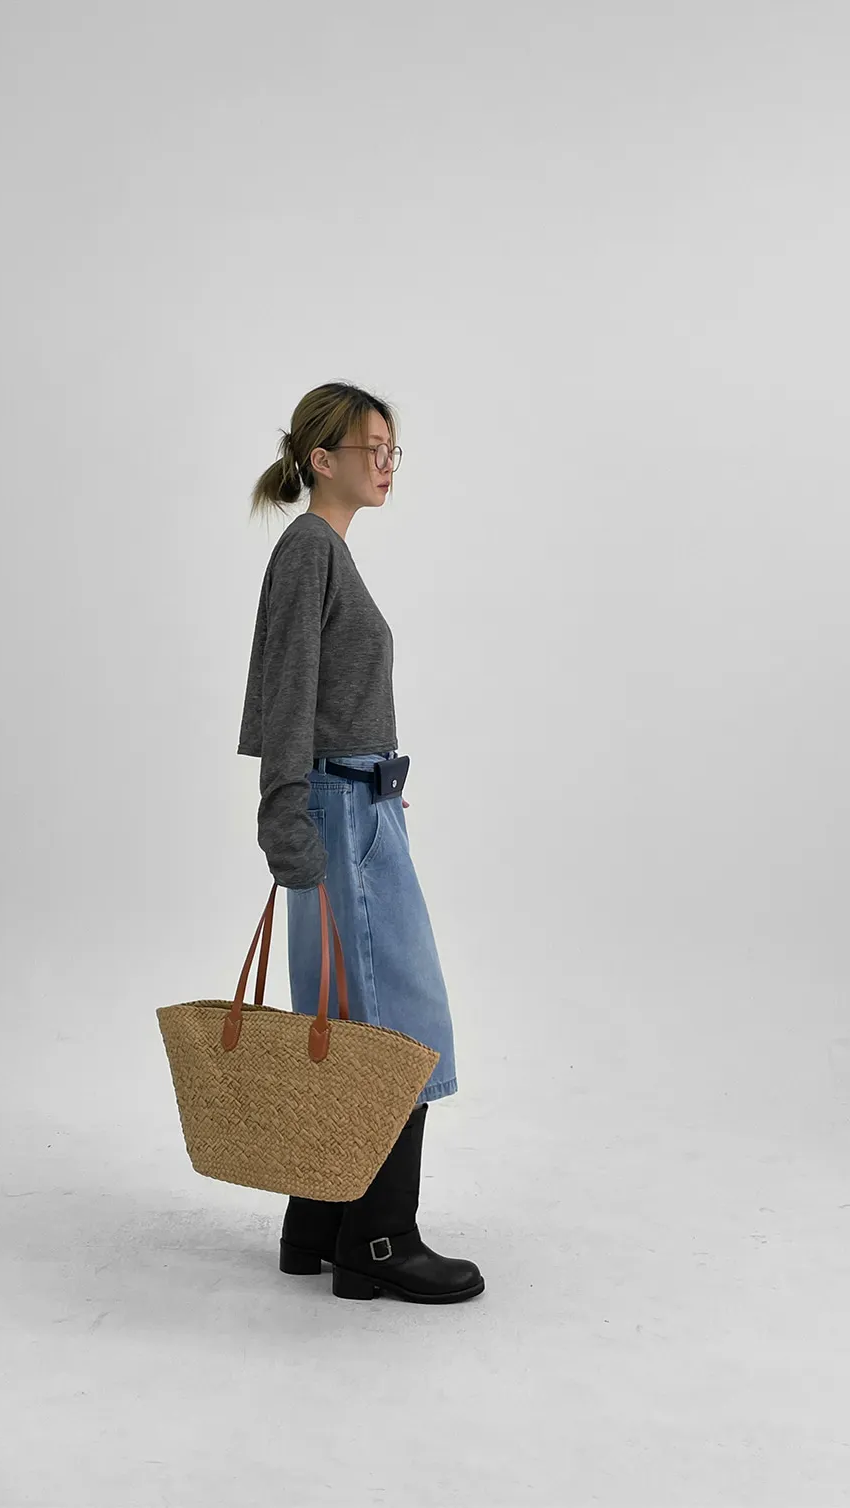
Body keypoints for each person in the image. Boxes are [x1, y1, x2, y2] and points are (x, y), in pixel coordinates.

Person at [237, 381, 484, 1304]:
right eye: (370, 449)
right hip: (340, 814)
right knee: (397, 1027)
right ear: (320, 460)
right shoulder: (310, 549)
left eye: (392, 449)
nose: (386, 464)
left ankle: (318, 1224)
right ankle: (380, 1240)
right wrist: (289, 816)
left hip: (355, 806)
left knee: (343, 1024)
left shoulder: (324, 551)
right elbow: (286, 695)